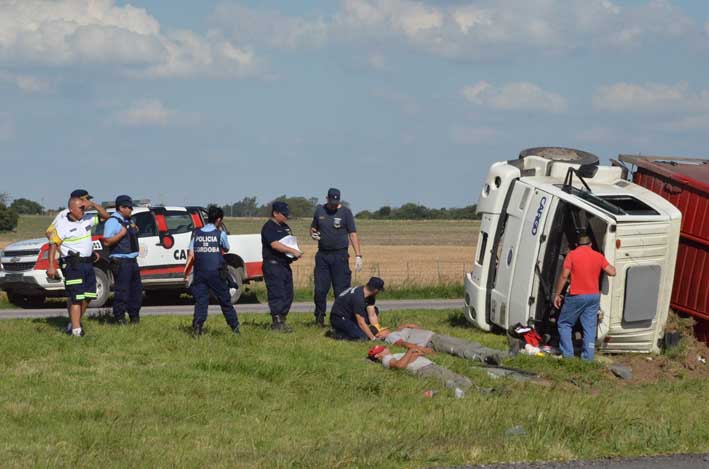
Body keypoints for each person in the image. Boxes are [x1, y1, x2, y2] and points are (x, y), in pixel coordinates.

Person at [46, 192, 110, 337]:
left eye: (84, 207)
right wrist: (51, 265)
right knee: (76, 297)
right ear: (72, 209)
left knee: (88, 296)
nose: (83, 210)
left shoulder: (87, 219)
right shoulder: (63, 225)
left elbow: (106, 217)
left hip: (88, 264)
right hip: (73, 264)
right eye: (80, 207)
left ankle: (73, 323)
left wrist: (93, 205)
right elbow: (52, 244)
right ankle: (76, 331)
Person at [553, 234, 616, 361]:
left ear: (576, 245)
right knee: (589, 327)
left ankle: (568, 356)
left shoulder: (572, 255)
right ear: (590, 244)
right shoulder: (598, 256)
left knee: (564, 323)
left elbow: (564, 276)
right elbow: (612, 272)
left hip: (577, 295)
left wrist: (557, 294)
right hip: (593, 297)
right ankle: (588, 358)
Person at [183, 206, 240, 337]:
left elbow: (191, 254)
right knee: (225, 301)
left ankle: (197, 328)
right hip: (216, 273)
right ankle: (235, 327)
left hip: (200, 273)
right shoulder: (220, 234)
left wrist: (186, 274)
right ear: (219, 219)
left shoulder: (196, 234)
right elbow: (226, 249)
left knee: (201, 301)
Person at [310, 188, 362, 327]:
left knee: (341, 290)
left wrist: (358, 255)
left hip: (340, 255)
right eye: (331, 201)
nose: (333, 204)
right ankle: (319, 317)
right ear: (326, 198)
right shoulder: (320, 211)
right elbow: (313, 228)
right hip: (323, 256)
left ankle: (342, 318)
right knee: (320, 290)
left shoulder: (345, 212)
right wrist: (313, 234)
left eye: (336, 201)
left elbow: (352, 234)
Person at [261, 201, 302, 332]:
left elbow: (290, 242)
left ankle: (283, 320)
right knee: (277, 293)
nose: (286, 217)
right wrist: (291, 251)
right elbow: (275, 244)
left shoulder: (285, 227)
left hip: (284, 265)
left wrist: (294, 253)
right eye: (284, 214)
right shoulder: (269, 227)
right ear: (275, 213)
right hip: (273, 265)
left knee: (288, 294)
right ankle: (277, 322)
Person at [367, 345, 472, 396]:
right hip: (425, 369)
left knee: (464, 380)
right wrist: (410, 352)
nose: (385, 348)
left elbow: (409, 359)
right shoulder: (386, 359)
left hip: (431, 366)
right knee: (449, 382)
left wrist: (412, 355)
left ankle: (480, 391)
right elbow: (400, 365)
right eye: (381, 349)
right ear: (377, 355)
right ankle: (437, 394)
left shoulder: (393, 356)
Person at [377, 324, 508, 365]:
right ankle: (486, 358)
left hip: (435, 336)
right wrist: (423, 349)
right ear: (380, 334)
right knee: (459, 349)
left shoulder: (398, 331)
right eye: (382, 329)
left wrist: (405, 326)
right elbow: (403, 344)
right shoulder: (390, 337)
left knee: (467, 343)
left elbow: (418, 327)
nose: (385, 329)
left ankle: (499, 353)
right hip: (431, 341)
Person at [102, 195, 142, 325]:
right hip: (121, 262)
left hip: (132, 261)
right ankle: (119, 318)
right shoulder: (113, 221)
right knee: (122, 292)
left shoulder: (128, 220)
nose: (131, 209)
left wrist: (134, 229)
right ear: (121, 207)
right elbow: (107, 241)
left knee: (136, 291)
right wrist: (121, 234)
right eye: (128, 207)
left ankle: (134, 317)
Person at [329, 277, 384, 341]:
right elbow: (361, 322)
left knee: (375, 310)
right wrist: (373, 338)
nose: (379, 292)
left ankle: (356, 329)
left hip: (350, 314)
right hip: (338, 318)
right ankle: (337, 333)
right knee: (362, 337)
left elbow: (372, 314)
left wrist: (378, 331)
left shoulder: (370, 295)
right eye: (380, 290)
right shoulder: (358, 297)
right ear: (376, 290)